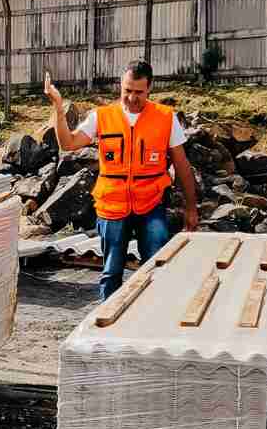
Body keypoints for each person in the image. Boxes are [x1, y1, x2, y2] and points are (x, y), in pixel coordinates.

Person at [44, 60, 199, 301]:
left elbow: (182, 166)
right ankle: (107, 330)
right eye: (127, 90)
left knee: (156, 269)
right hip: (112, 206)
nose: (132, 97)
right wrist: (58, 107)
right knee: (111, 272)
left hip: (150, 203)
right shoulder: (102, 117)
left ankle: (149, 321)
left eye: (139, 92)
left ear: (149, 89)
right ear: (120, 86)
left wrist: (191, 208)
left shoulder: (166, 118)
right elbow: (68, 143)